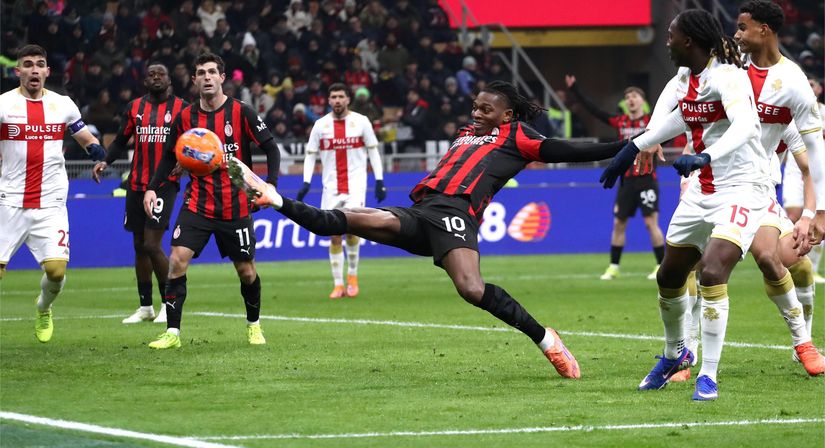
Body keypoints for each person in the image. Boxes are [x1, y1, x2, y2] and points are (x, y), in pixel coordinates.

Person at [230, 80, 631, 380]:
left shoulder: (520, 136)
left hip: (457, 215)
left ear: (506, 115)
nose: (476, 114)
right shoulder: (465, 134)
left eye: (486, 110)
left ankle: (547, 341)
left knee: (471, 290)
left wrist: (628, 146)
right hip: (421, 212)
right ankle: (275, 199)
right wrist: (274, 195)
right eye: (475, 107)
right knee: (342, 218)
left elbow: (570, 151)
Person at [600, 9, 770, 400]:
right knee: (669, 275)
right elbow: (679, 119)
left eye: (671, 35)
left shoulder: (729, 77)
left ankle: (707, 375)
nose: (667, 41)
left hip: (743, 187)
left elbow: (745, 126)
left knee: (711, 271)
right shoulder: (684, 79)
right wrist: (634, 147)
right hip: (701, 189)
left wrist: (707, 156)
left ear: (689, 41)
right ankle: (675, 353)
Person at [142, 53, 281, 349]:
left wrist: (270, 185)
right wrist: (153, 188)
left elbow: (271, 148)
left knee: (246, 271)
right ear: (193, 80)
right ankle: (172, 333)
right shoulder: (186, 118)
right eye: (201, 73)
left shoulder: (242, 112)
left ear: (222, 78)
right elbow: (169, 155)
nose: (206, 77)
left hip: (236, 205)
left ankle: (254, 325)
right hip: (198, 204)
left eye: (211, 72)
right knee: (177, 260)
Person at [732, 0, 825, 376]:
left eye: (742, 27)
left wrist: (814, 212)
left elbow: (810, 158)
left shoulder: (793, 86)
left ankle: (804, 342)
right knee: (684, 269)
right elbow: (691, 113)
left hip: (759, 191)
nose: (736, 34)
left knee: (791, 265)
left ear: (764, 30)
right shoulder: (727, 72)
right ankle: (682, 354)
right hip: (710, 186)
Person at [0, 44, 106, 342]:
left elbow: (84, 137)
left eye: (40, 64)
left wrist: (99, 155)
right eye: (28, 64)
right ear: (17, 70)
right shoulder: (4, 105)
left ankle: (43, 307)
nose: (34, 69)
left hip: (50, 202)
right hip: (9, 200)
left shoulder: (63, 105)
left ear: (48, 71)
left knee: (57, 271)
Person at [92, 63, 188, 325]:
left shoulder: (182, 108)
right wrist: (105, 161)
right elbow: (122, 140)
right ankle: (145, 306)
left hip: (164, 184)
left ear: (170, 80)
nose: (156, 77)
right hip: (135, 183)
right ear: (145, 81)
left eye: (161, 74)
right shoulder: (135, 108)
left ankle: (169, 305)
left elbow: (194, 140)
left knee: (151, 244)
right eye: (151, 75)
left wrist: (186, 161)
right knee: (138, 245)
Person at [565, 75, 665, 281]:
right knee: (619, 224)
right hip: (626, 181)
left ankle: (660, 265)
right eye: (628, 96)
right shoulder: (620, 121)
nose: (631, 99)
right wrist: (575, 90)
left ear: (642, 101)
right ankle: (613, 267)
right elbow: (594, 111)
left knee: (650, 223)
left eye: (635, 95)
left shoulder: (652, 122)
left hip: (647, 179)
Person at [296, 83, 386, 298]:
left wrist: (380, 180)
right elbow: (310, 154)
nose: (337, 100)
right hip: (331, 188)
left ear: (348, 99)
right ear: (328, 100)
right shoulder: (320, 125)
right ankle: (338, 284)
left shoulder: (361, 122)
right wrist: (306, 182)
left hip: (355, 186)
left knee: (353, 230)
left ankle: (352, 277)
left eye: (340, 96)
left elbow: (373, 151)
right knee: (334, 235)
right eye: (333, 96)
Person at [783, 75, 825, 285]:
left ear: (818, 90)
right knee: (792, 214)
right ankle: (790, 257)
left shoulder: (824, 112)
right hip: (794, 168)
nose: (808, 87)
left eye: (812, 84)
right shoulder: (792, 110)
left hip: (818, 170)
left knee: (818, 218)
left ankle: (811, 267)